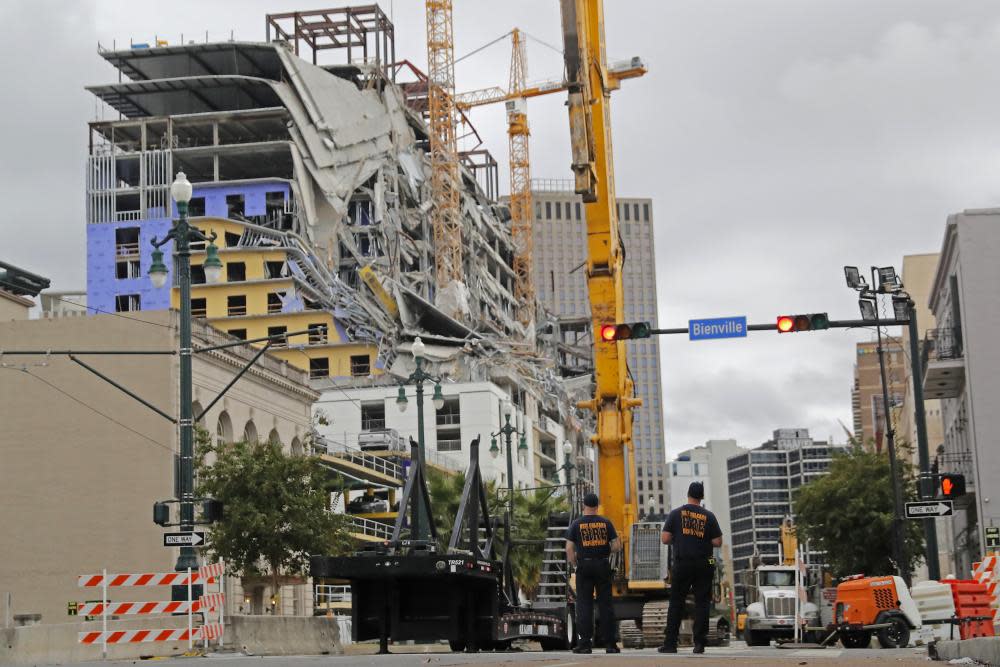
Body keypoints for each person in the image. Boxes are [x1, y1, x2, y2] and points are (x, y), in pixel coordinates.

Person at [658, 481, 723, 654]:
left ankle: (670, 644)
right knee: (702, 603)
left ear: (688, 495)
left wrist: (679, 539)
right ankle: (699, 643)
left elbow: (664, 538)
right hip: (704, 563)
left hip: (682, 563)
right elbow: (718, 541)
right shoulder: (709, 516)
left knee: (676, 603)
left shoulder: (676, 514)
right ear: (701, 497)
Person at [565, 492, 621, 654]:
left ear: (584, 506)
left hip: (584, 565)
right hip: (602, 564)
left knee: (584, 605)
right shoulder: (606, 523)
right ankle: (610, 644)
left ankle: (584, 644)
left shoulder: (576, 524)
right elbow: (617, 545)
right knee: (605, 604)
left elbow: (569, 548)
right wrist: (605, 552)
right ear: (597, 506)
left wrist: (575, 563)